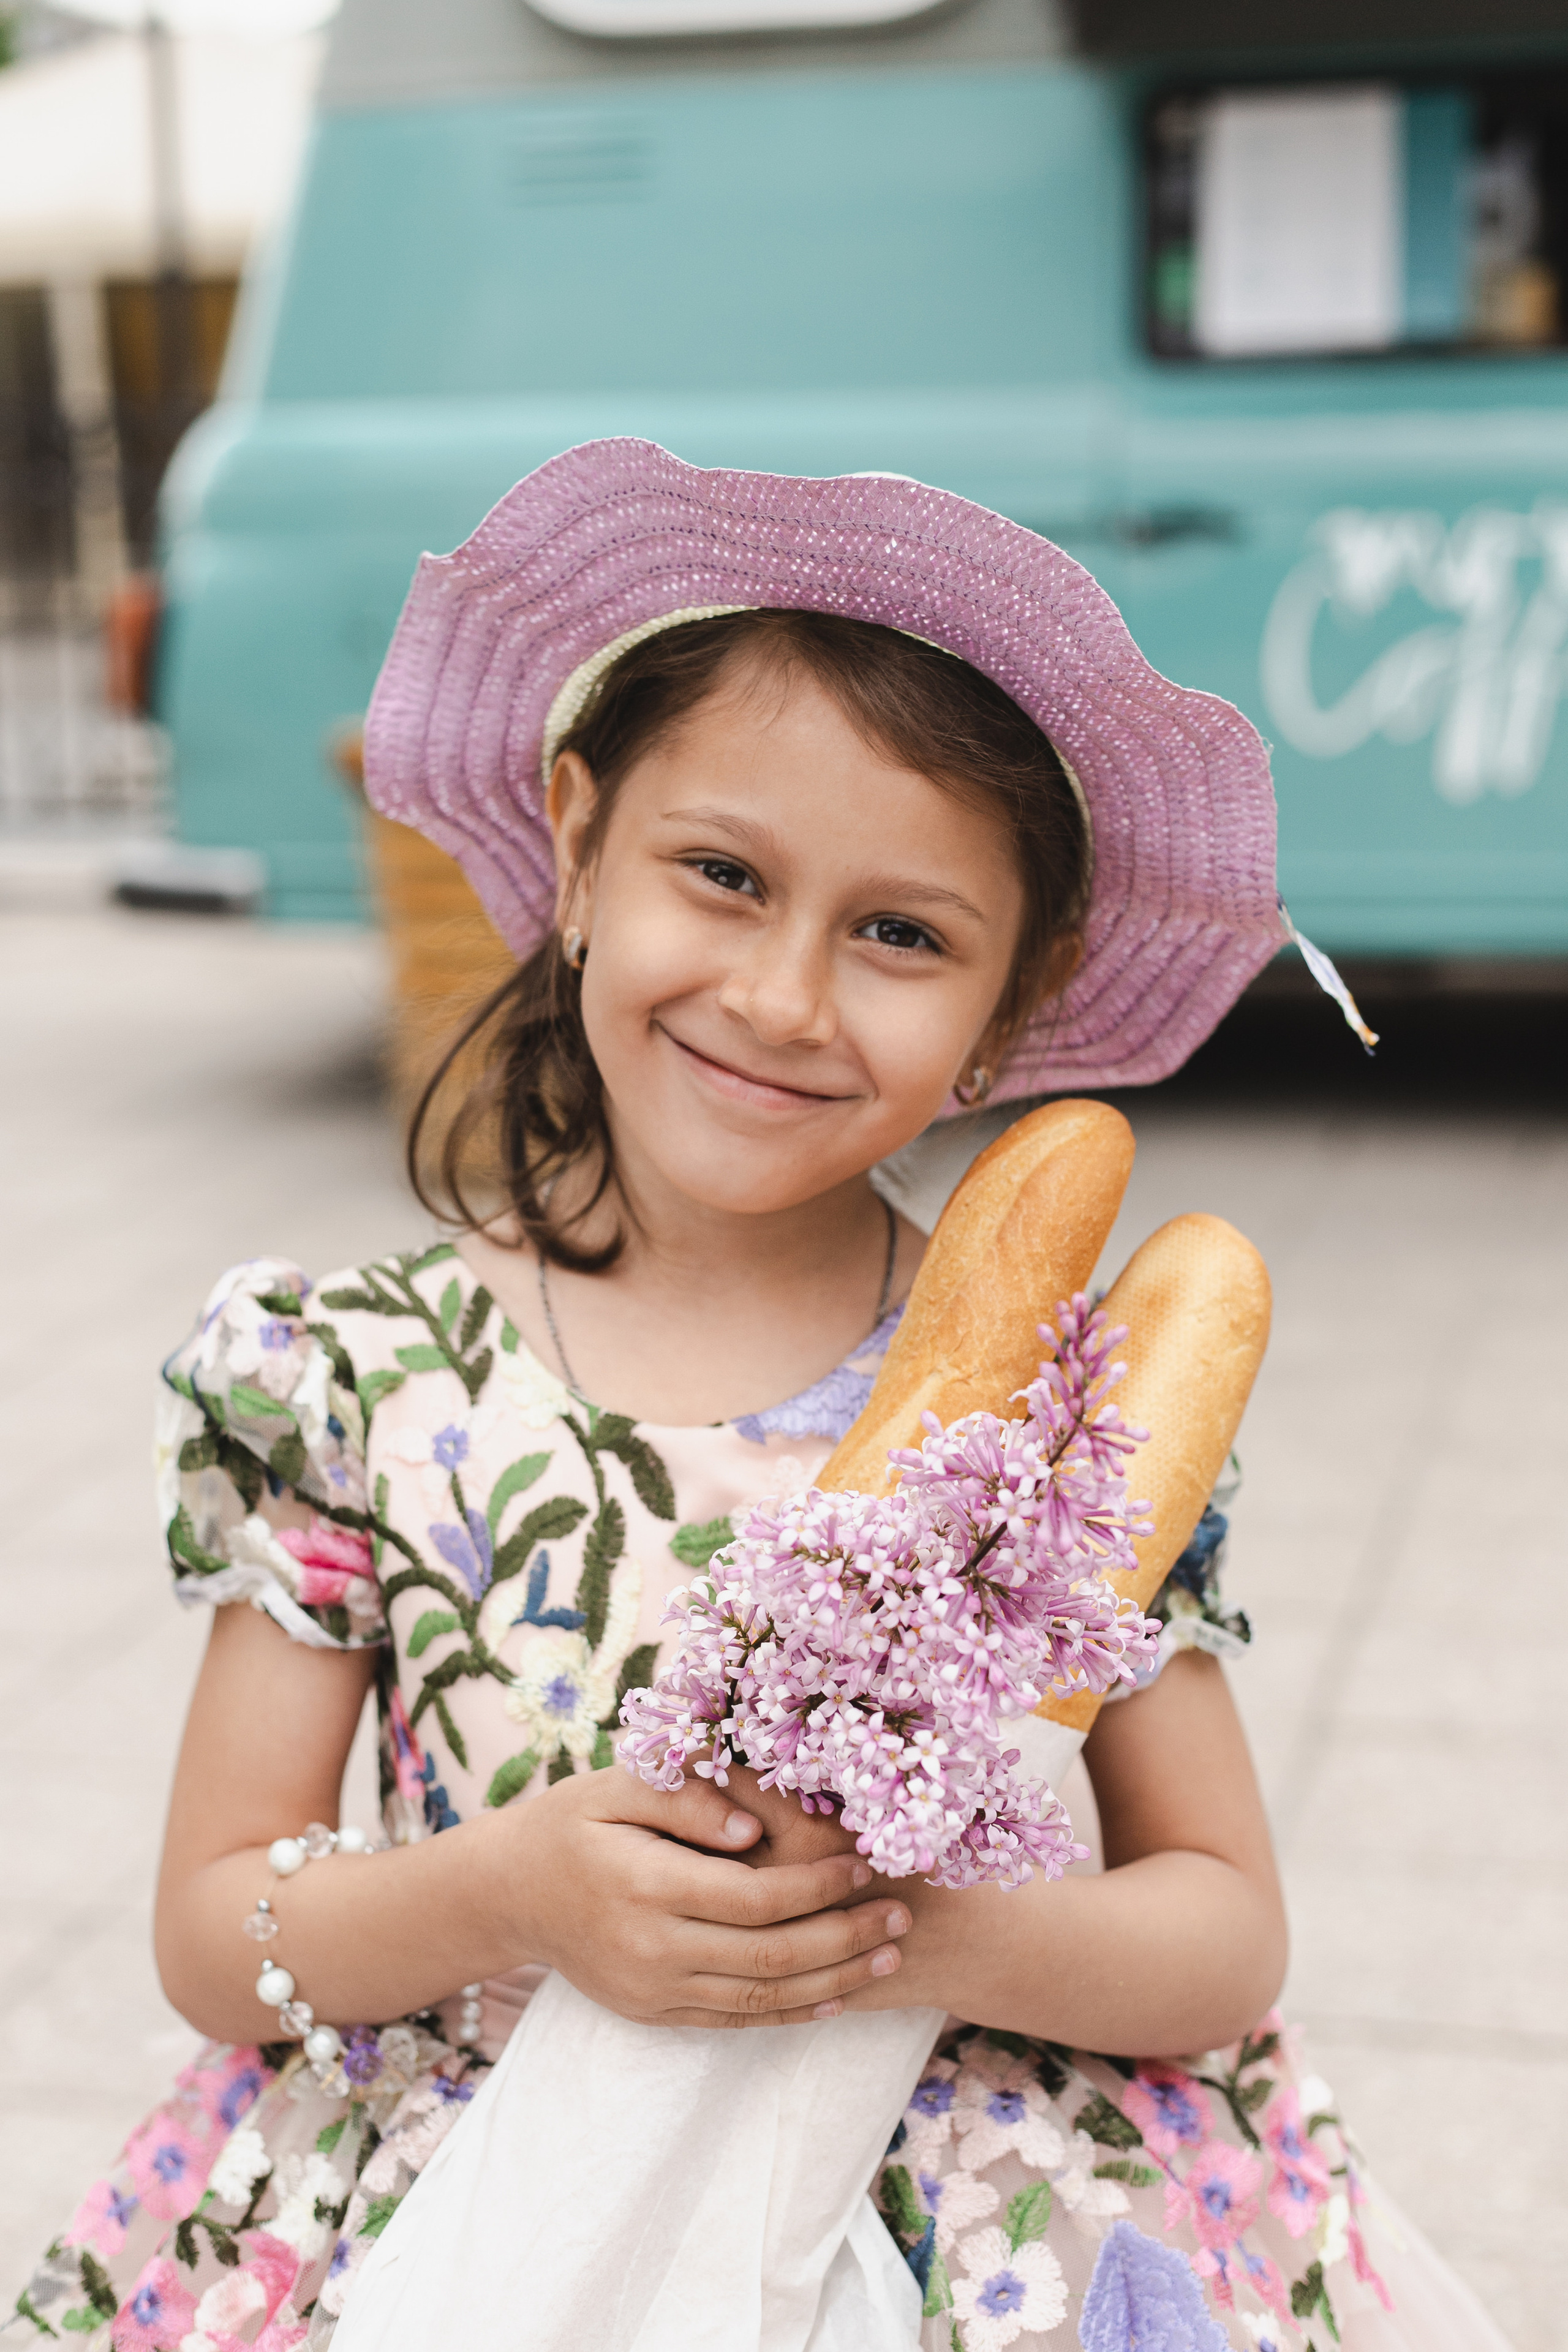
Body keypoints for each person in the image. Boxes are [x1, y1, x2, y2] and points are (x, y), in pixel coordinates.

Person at [9, 443, 1509, 2352]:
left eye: (902, 933)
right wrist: (510, 1894)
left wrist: (909, 1937)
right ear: (574, 849)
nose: (789, 997)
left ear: (1013, 1001)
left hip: (982, 2234)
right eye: (722, 875)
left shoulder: (1065, 1413)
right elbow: (218, 1932)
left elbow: (1222, 1932)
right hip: (479, 2212)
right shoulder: (350, 1380)